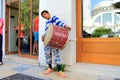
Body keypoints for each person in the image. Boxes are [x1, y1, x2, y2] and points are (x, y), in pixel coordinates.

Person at [41, 10, 71, 78]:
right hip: (47, 42)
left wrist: (65, 26)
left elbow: (59, 22)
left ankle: (59, 71)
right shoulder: (46, 23)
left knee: (56, 55)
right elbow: (47, 32)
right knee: (47, 55)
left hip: (54, 41)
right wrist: (43, 36)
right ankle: (50, 68)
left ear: (48, 13)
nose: (45, 16)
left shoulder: (53, 18)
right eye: (43, 16)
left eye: (45, 14)